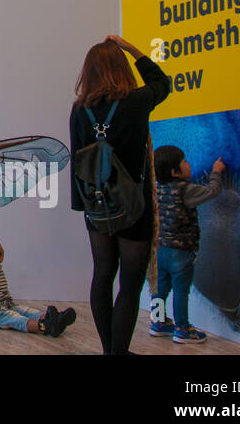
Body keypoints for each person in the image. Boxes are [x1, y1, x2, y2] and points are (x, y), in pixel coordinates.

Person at [69, 35, 169, 355]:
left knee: (102, 275)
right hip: (134, 208)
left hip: (96, 207)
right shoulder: (137, 102)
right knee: (130, 284)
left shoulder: (79, 111)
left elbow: (77, 160)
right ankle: (119, 353)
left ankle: (110, 351)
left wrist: (80, 205)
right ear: (121, 68)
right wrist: (134, 50)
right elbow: (162, 82)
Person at [150, 145, 226, 344]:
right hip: (181, 251)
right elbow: (213, 191)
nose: (189, 164)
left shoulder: (156, 188)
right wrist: (216, 172)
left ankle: (157, 323)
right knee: (181, 291)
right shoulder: (186, 190)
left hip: (161, 249)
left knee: (159, 289)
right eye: (184, 162)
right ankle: (182, 328)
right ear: (175, 172)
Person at [0, 233, 76, 336]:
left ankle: (55, 319)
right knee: (17, 319)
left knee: (27, 311)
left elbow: (3, 292)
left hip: (5, 305)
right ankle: (45, 327)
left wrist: (11, 304)